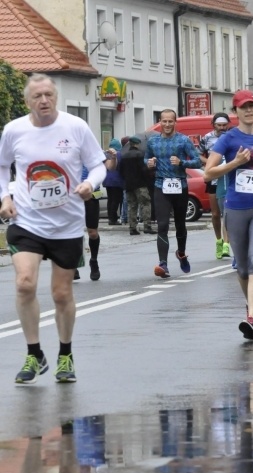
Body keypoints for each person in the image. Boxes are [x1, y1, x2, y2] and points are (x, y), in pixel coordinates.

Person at [0, 73, 108, 384]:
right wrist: (5, 197)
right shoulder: (14, 130)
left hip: (66, 224)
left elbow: (99, 163)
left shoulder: (75, 127)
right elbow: (2, 166)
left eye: (48, 94)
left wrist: (91, 182)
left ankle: (65, 354)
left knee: (61, 294)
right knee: (24, 283)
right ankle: (34, 353)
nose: (44, 100)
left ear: (56, 97)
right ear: (27, 101)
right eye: (37, 96)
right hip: (26, 220)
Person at [204, 90, 253, 339]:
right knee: (243, 267)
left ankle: (252, 317)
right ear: (235, 112)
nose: (249, 111)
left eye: (252, 106)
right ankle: (251, 306)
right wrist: (234, 163)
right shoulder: (227, 139)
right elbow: (208, 173)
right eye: (243, 107)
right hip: (235, 207)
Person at [145, 109, 202, 277]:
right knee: (162, 225)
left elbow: (198, 161)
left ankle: (181, 253)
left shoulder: (183, 140)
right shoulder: (153, 141)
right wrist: (149, 162)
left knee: (180, 224)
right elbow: (146, 158)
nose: (167, 124)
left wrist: (182, 162)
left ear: (175, 122)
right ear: (160, 122)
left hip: (180, 187)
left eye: (171, 121)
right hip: (160, 185)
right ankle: (163, 263)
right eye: (164, 121)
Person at [199, 112, 232, 259]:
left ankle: (226, 243)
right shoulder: (207, 137)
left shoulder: (232, 136)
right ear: (214, 125)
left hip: (228, 177)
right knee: (215, 214)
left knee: (228, 213)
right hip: (213, 177)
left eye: (224, 125)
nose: (222, 128)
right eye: (219, 125)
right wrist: (210, 163)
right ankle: (219, 240)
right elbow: (197, 154)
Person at [118, 136, 155, 235]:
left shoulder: (124, 155)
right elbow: (144, 170)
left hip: (129, 185)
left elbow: (120, 170)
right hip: (140, 184)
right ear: (137, 144)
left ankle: (132, 228)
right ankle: (147, 226)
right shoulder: (141, 154)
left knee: (132, 206)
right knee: (146, 203)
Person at [103, 138, 124, 225]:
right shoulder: (119, 154)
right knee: (116, 200)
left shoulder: (105, 154)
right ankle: (113, 219)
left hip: (107, 180)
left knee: (110, 199)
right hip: (117, 181)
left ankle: (110, 217)